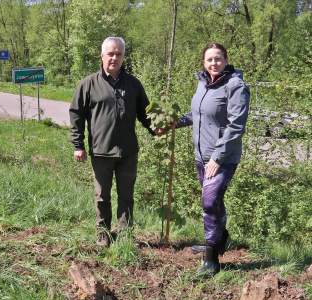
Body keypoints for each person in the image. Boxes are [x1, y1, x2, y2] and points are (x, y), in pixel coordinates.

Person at [69, 37, 156, 247]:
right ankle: (103, 234)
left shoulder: (133, 84)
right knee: (102, 196)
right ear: (102, 56)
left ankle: (125, 234)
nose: (114, 58)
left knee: (127, 196)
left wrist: (158, 128)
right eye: (110, 53)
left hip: (128, 152)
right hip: (101, 152)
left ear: (123, 57)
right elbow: (76, 115)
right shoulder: (88, 84)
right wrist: (78, 145)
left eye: (118, 54)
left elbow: (146, 113)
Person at [175, 42, 250, 276]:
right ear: (203, 62)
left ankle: (211, 260)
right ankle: (219, 240)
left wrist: (217, 158)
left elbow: (236, 125)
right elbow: (198, 115)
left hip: (222, 157)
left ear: (226, 60)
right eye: (209, 59)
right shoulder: (203, 83)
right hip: (201, 155)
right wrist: (174, 122)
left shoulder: (235, 86)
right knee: (214, 201)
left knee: (208, 203)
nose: (214, 63)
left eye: (218, 59)